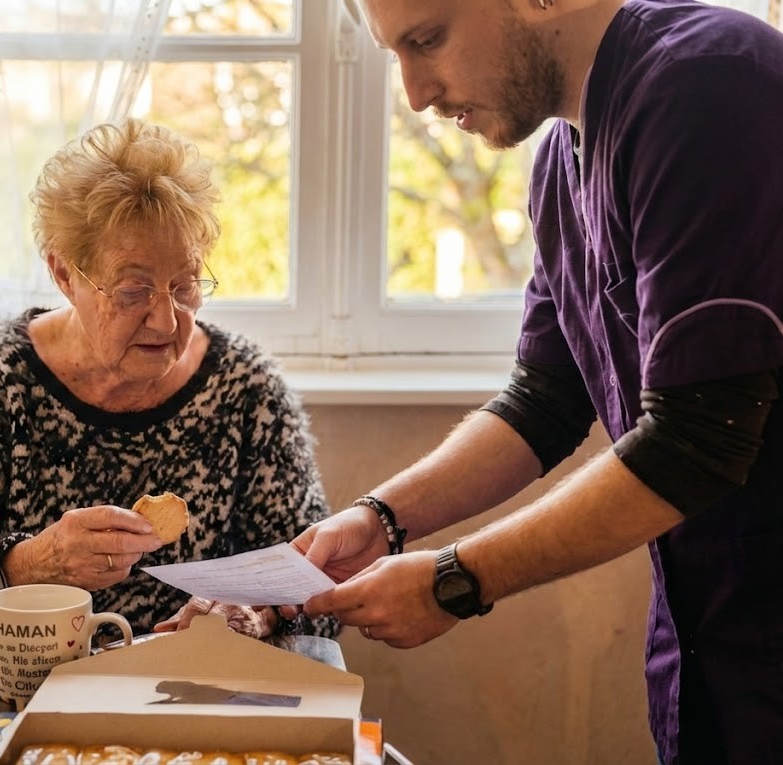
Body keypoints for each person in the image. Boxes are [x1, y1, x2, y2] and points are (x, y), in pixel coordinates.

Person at [292, 1, 783, 763]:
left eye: (427, 40)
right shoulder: (560, 159)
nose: (415, 94)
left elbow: (699, 438)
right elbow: (544, 400)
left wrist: (455, 581)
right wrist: (383, 516)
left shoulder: (709, 85)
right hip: (704, 639)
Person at [0, 118, 337, 645]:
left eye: (184, 285)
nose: (166, 321)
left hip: (195, 690)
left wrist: (260, 611)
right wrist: (31, 563)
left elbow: (319, 588)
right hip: (28, 689)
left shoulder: (246, 387)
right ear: (64, 275)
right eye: (133, 291)